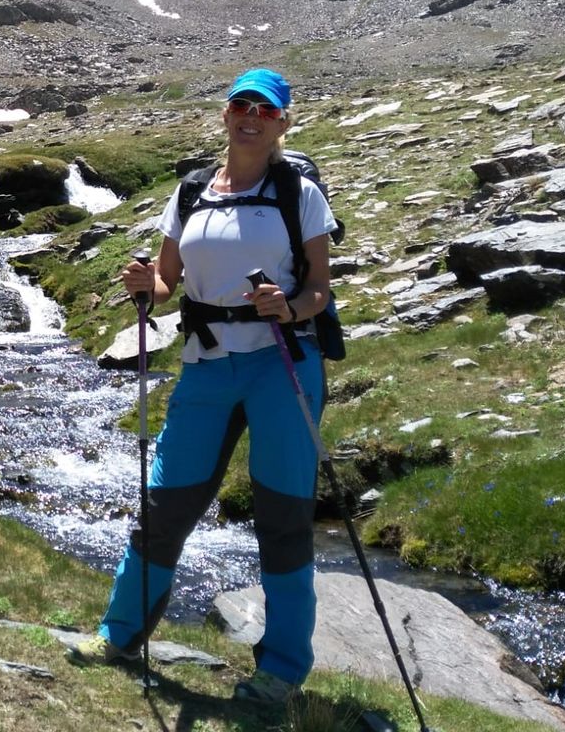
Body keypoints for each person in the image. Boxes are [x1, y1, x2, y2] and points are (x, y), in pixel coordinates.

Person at [71, 68, 336, 707]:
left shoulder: (298, 192)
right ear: (225, 114)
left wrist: (288, 307)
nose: (251, 117)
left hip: (283, 361)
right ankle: (118, 634)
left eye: (265, 111)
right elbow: (166, 283)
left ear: (282, 123)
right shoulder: (191, 193)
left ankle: (279, 672)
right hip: (207, 364)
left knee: (283, 516)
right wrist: (146, 288)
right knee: (164, 505)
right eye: (241, 106)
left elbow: (320, 291)